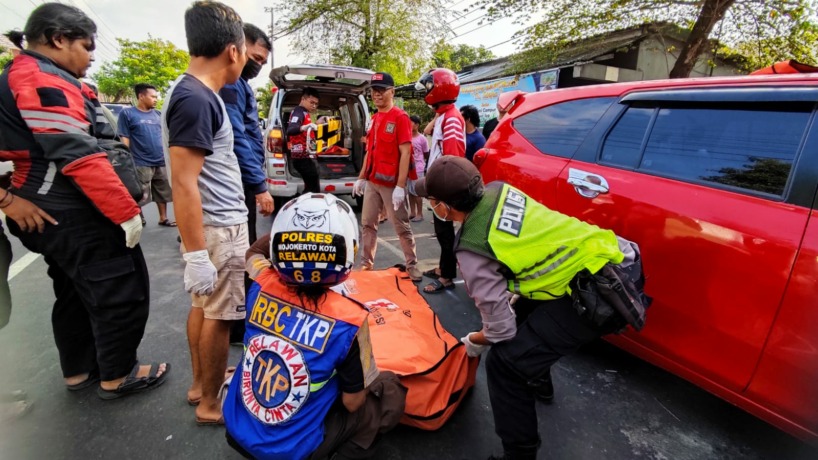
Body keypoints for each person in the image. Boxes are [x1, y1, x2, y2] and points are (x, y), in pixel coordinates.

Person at [414, 156, 645, 460]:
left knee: (504, 365)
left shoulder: (472, 248)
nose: (434, 208)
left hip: (601, 293)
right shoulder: (499, 190)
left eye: (432, 201)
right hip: (616, 255)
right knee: (524, 315)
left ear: (444, 206)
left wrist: (473, 340)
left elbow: (499, 330)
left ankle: (519, 454)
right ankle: (538, 380)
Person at [0, 2, 169, 399]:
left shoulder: (27, 76)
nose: (93, 56)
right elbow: (77, 154)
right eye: (87, 46)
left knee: (75, 292)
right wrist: (126, 213)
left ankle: (78, 370)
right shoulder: (41, 79)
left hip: (50, 209)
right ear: (58, 39)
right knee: (119, 291)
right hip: (73, 211)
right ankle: (117, 374)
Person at [224, 193, 405, 460]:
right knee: (388, 391)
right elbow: (352, 403)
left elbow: (254, 252)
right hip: (291, 450)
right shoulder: (349, 321)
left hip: (237, 430)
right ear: (348, 250)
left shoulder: (260, 282)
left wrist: (289, 234)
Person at [161, 0, 248, 425]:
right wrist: (196, 254)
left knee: (204, 308)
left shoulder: (192, 93)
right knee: (220, 316)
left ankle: (201, 386)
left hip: (210, 226)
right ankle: (213, 405)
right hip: (218, 226)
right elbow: (184, 181)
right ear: (233, 50)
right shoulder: (197, 98)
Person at [218, 23, 274, 345]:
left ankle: (242, 319)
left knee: (246, 250)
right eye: (255, 57)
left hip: (243, 182)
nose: (257, 66)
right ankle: (238, 327)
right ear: (237, 47)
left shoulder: (240, 85)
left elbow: (251, 136)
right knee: (243, 255)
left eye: (263, 63)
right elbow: (237, 137)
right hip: (236, 184)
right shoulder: (229, 85)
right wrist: (259, 184)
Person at [352, 72, 421, 281]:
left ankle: (412, 265)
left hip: (391, 185)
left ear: (392, 92)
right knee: (367, 224)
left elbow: (406, 153)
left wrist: (401, 186)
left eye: (381, 90)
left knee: (401, 226)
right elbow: (370, 151)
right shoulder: (375, 118)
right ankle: (366, 265)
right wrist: (361, 177)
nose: (377, 94)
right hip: (373, 182)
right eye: (374, 90)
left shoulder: (400, 118)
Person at [416, 68, 465, 293]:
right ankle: (444, 268)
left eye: (429, 87)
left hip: (445, 186)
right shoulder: (445, 115)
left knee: (445, 233)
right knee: (442, 232)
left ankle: (446, 276)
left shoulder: (452, 119)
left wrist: (443, 191)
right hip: (439, 184)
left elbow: (452, 158)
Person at [118, 83, 176, 227]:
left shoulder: (158, 115)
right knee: (140, 192)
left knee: (162, 192)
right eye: (153, 96)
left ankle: (163, 217)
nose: (156, 99)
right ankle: (140, 217)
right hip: (140, 161)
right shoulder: (128, 114)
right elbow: (124, 136)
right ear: (141, 96)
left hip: (160, 159)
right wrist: (126, 158)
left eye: (157, 97)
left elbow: (165, 136)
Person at [286, 87, 321, 194]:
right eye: (312, 102)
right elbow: (291, 129)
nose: (314, 106)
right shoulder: (298, 111)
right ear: (303, 99)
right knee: (312, 187)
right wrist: (304, 127)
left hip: (307, 155)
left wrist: (317, 123)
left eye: (316, 104)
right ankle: (307, 205)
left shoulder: (305, 113)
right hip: (301, 156)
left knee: (312, 184)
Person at [408, 114, 428, 222]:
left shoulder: (422, 139)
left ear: (416, 125)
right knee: (410, 192)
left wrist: (421, 164)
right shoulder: (406, 136)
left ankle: (420, 213)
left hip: (418, 168)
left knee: (417, 191)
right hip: (408, 168)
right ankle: (412, 212)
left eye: (410, 123)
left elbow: (426, 153)